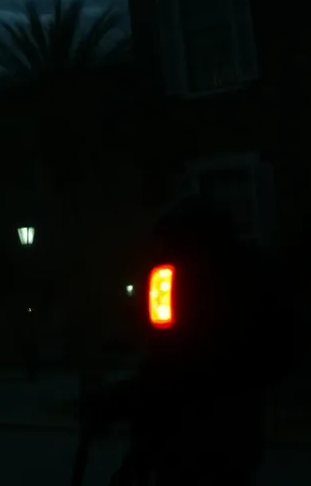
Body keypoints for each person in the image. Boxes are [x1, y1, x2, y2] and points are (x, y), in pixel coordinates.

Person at [72, 194, 298, 485]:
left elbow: (168, 368)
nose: (159, 251)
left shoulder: (173, 277)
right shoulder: (257, 269)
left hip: (184, 447)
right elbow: (281, 351)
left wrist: (117, 404)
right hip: (235, 440)